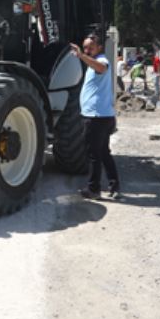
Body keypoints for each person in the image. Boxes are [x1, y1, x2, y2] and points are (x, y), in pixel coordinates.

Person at [69, 33, 120, 200]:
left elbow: (101, 67)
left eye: (90, 47)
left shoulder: (102, 61)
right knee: (103, 153)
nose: (87, 50)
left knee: (94, 155)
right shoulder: (92, 64)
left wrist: (82, 56)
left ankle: (94, 189)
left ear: (99, 48)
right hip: (101, 116)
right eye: (85, 47)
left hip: (96, 118)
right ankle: (114, 185)